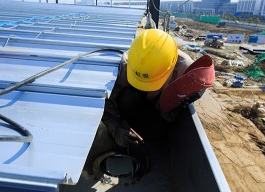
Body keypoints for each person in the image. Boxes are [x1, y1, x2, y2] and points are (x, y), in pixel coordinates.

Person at [84, 28, 214, 177]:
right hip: (135, 106)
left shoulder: (186, 75)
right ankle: (133, 131)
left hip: (159, 110)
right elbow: (108, 104)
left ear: (172, 68)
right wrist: (117, 131)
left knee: (157, 131)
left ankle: (148, 135)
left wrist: (169, 112)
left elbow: (186, 99)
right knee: (128, 98)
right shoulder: (128, 65)